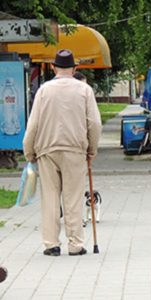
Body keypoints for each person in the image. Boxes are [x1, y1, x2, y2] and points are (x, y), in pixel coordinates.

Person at [23, 49, 102, 256]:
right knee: (73, 197)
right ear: (75, 68)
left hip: (47, 150)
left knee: (49, 198)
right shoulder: (84, 90)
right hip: (75, 149)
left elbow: (33, 124)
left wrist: (28, 150)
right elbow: (94, 123)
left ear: (53, 67)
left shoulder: (43, 90)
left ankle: (51, 244)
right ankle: (75, 244)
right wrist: (92, 149)